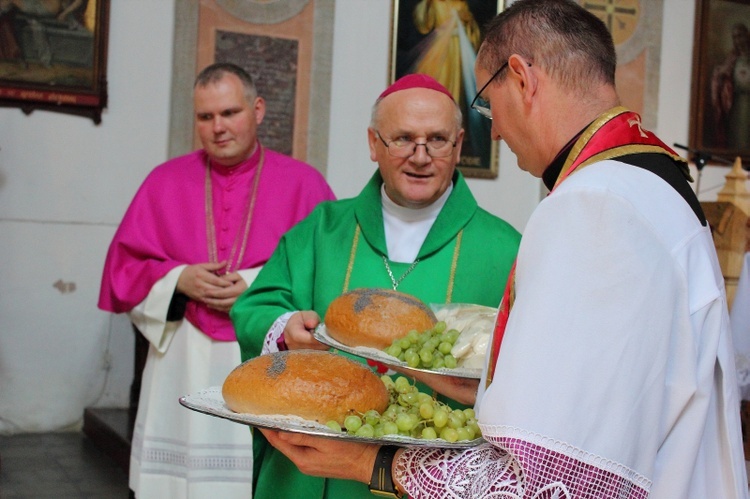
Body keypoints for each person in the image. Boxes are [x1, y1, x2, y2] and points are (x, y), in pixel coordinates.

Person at [256, 1, 750, 497]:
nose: (492, 129)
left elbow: (554, 478)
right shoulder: (652, 183)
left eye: (487, 103)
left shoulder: (593, 208)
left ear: (521, 77)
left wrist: (374, 462)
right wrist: (485, 388)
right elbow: (620, 399)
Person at [230, 72, 521, 498]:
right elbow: (256, 306)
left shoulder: (506, 249)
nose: (420, 157)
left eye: (437, 140)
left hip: (434, 477)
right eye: (402, 138)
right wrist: (286, 326)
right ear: (373, 143)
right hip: (313, 474)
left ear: (459, 144)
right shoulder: (323, 230)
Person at [97, 62, 335, 498]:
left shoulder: (304, 183)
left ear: (258, 109)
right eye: (205, 117)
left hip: (264, 356)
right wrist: (177, 278)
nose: (218, 128)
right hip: (183, 355)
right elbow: (123, 270)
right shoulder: (163, 181)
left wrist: (256, 287)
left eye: (229, 113)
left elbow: (329, 276)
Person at [711, 22, 750, 150]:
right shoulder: (732, 58)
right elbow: (722, 77)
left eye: (740, 36)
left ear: (746, 35)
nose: (738, 40)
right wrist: (720, 75)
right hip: (737, 106)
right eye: (735, 37)